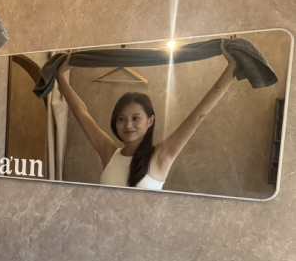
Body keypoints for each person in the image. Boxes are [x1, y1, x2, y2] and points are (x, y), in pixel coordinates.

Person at [55, 48, 238, 189]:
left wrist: (231, 70)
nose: (128, 125)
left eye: (136, 118)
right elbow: (81, 112)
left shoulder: (161, 156)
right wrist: (60, 77)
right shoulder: (109, 153)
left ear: (150, 121)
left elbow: (198, 115)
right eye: (121, 119)